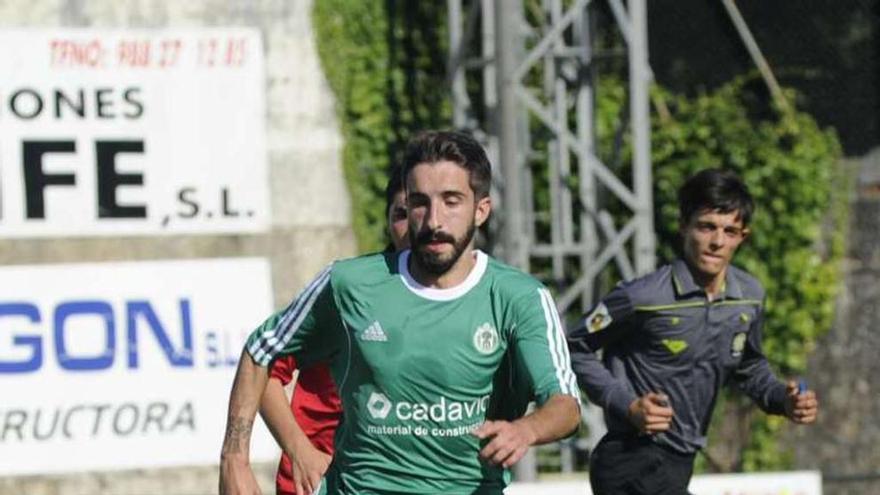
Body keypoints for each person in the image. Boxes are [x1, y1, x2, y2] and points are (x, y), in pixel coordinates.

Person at [220, 130, 581, 494]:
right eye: (420, 203)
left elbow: (566, 404)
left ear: (481, 210)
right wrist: (235, 460)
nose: (434, 220)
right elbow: (260, 352)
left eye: (452, 201)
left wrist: (526, 429)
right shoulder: (350, 283)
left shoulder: (519, 298)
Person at [566, 168, 819, 495]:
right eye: (707, 227)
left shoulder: (749, 297)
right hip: (629, 461)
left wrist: (783, 400)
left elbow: (749, 367)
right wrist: (627, 405)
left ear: (743, 237)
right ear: (684, 226)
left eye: (730, 231)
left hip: (679, 463)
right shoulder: (641, 297)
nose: (717, 241)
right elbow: (573, 346)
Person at [258, 171, 409, 495]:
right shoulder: (347, 289)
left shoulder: (466, 300)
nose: (415, 225)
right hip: (323, 484)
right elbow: (261, 366)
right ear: (386, 221)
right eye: (401, 214)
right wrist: (301, 452)